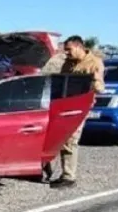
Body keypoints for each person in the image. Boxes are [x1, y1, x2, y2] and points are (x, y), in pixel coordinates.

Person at [42, 35, 105, 189]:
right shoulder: (68, 63)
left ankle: (69, 177)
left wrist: (96, 80)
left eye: (69, 50)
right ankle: (45, 167)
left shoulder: (94, 63)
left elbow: (100, 89)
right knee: (53, 136)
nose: (67, 53)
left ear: (79, 47)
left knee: (70, 139)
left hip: (80, 107)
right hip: (63, 105)